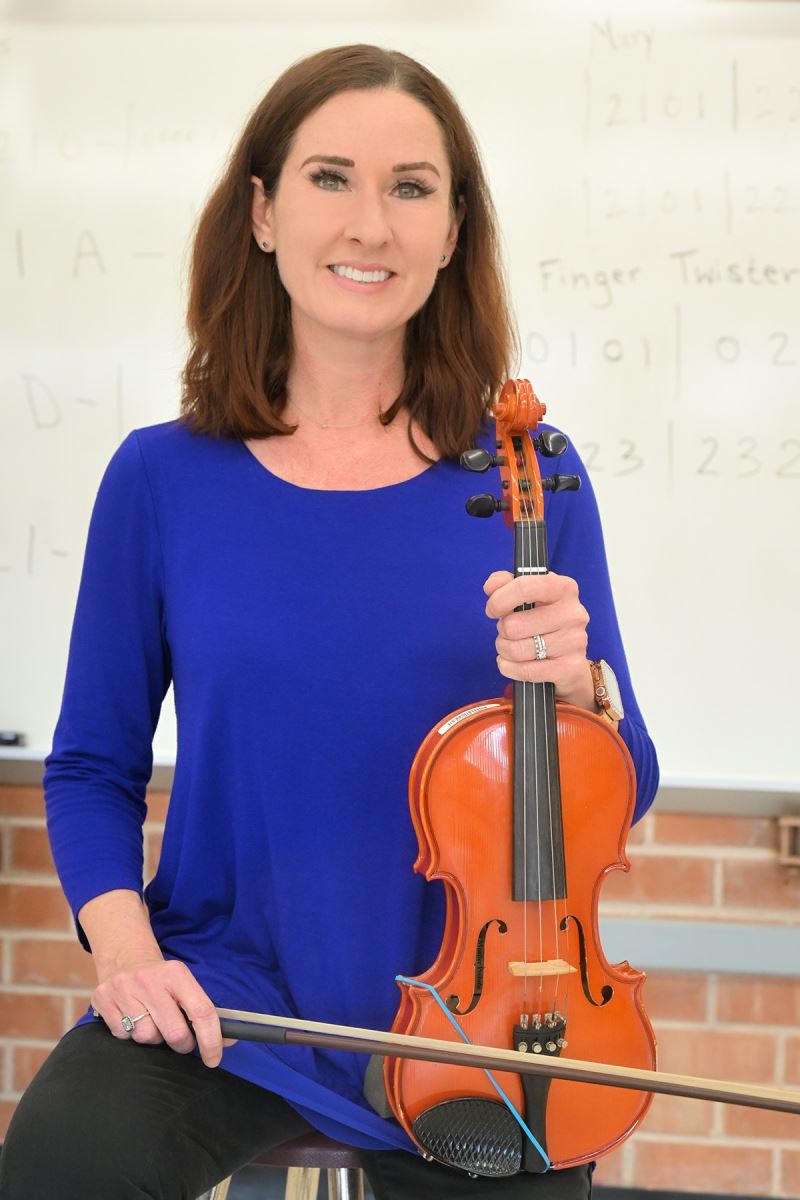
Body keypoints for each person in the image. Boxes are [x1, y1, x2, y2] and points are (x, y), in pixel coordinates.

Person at [0, 43, 658, 1200]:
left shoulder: (528, 475)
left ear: (452, 232)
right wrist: (126, 954)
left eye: (411, 188)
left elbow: (625, 781)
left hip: (479, 1020)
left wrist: (581, 693)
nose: (371, 225)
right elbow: (92, 764)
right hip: (229, 997)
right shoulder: (162, 479)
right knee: (58, 1167)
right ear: (260, 211)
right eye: (329, 178)